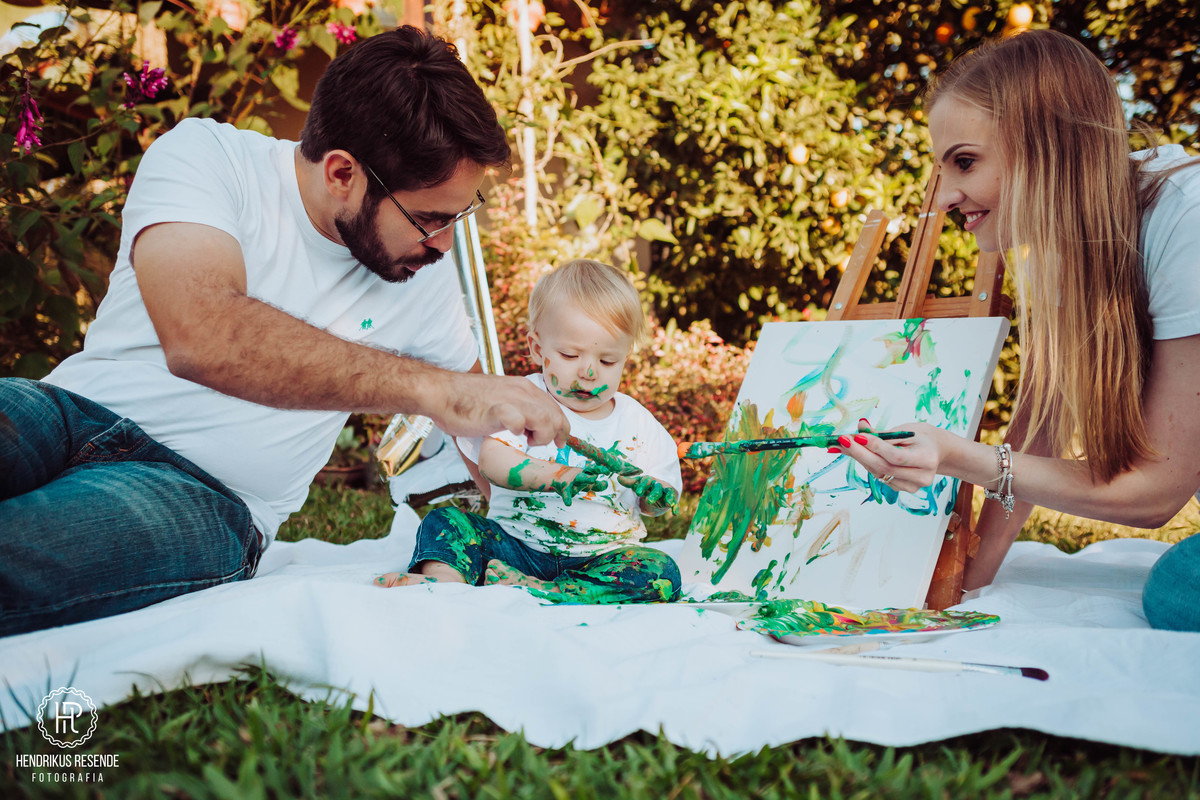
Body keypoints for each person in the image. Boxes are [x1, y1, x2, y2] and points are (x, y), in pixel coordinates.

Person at [0, 26, 570, 637]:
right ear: (342, 173)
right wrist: (436, 390)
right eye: (429, 218)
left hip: (202, 496)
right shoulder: (208, 158)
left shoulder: (421, 274)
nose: (443, 244)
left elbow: (475, 430)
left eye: (459, 215)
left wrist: (553, 509)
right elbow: (203, 335)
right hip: (64, 410)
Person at [833, 29, 1200, 632]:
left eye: (966, 162)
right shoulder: (1073, 239)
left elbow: (1155, 493)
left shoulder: (1184, 216)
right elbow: (1040, 425)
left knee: (1179, 594)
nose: (945, 196)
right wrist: (967, 584)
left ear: (1048, 146)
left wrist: (956, 456)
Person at [376, 259, 684, 603]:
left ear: (626, 356)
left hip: (602, 558)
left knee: (660, 571)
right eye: (569, 354)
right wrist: (557, 475)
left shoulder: (639, 424)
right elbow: (492, 461)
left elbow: (658, 496)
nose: (589, 372)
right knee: (446, 522)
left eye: (608, 361)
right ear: (538, 348)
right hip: (514, 547)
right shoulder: (523, 400)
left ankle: (552, 591)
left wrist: (655, 497)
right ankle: (446, 583)